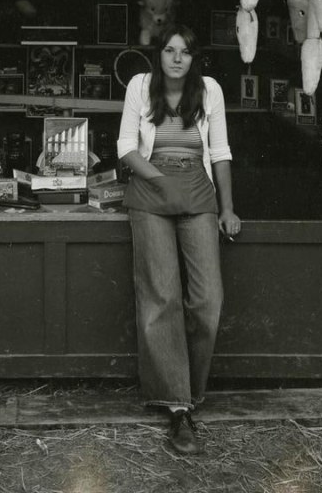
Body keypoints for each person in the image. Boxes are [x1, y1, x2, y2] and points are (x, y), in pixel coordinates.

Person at [116, 23, 240, 455]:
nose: (176, 58)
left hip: (198, 192)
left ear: (193, 58)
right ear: (159, 55)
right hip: (151, 191)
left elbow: (220, 152)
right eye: (169, 50)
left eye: (184, 52)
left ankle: (190, 388)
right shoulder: (140, 86)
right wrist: (160, 181)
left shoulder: (210, 90)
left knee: (208, 299)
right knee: (162, 295)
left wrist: (227, 208)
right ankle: (177, 406)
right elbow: (126, 147)